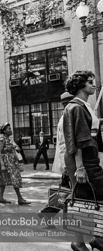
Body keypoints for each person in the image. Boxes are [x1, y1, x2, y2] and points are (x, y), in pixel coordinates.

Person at [63, 70, 103, 251]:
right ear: (80, 86)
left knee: (85, 199)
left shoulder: (84, 106)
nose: (93, 85)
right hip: (83, 160)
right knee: (82, 199)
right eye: (89, 82)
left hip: (90, 158)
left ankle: (94, 240)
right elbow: (78, 140)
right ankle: (82, 242)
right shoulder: (76, 107)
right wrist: (80, 167)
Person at [38, 91, 73, 221]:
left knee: (65, 191)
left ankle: (48, 213)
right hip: (69, 162)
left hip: (67, 162)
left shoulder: (65, 116)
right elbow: (65, 144)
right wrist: (66, 165)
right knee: (68, 193)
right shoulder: (67, 118)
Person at [0, 122, 30, 205]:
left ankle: (1, 197)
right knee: (9, 179)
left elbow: (13, 150)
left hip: (12, 161)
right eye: (8, 129)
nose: (10, 130)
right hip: (6, 162)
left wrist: (18, 161)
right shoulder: (2, 139)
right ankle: (20, 198)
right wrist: (2, 164)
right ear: (4, 131)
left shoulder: (9, 139)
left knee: (11, 179)